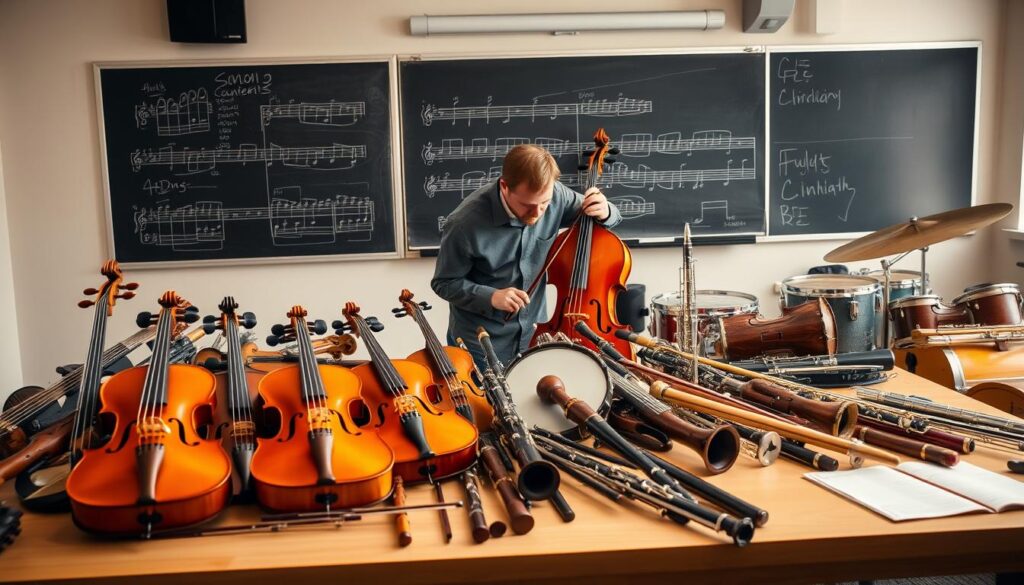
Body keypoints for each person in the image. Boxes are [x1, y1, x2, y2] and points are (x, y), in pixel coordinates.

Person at [431, 144, 622, 369]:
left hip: (536, 333)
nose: (537, 213)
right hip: (481, 345)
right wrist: (491, 297)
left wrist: (606, 210)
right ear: (504, 186)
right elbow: (444, 283)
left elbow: (607, 215)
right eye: (527, 205)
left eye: (544, 204)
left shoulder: (556, 195)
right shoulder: (463, 224)